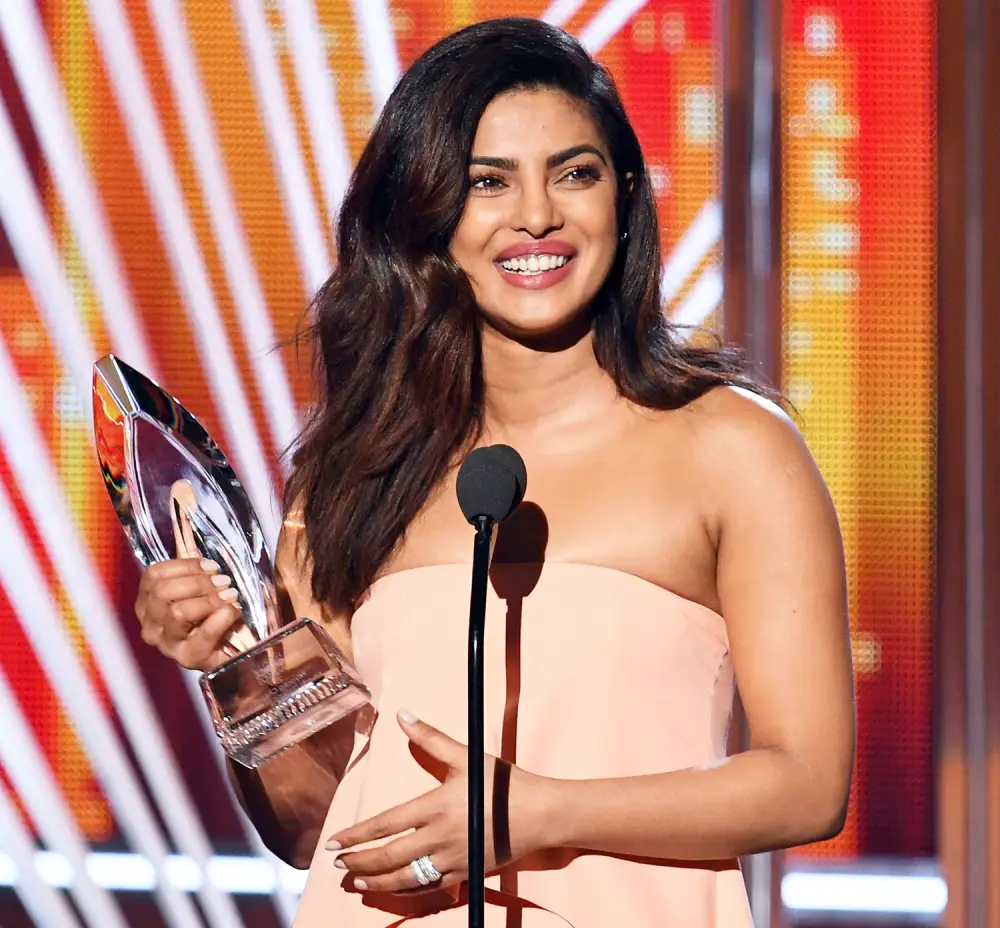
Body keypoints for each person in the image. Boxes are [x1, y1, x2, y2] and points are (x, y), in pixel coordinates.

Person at [134, 16, 855, 927]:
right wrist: (236, 665)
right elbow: (317, 822)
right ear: (427, 212)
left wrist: (540, 811)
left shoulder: (732, 448)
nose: (537, 217)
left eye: (574, 173)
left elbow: (807, 782)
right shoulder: (357, 471)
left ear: (625, 195)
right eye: (488, 183)